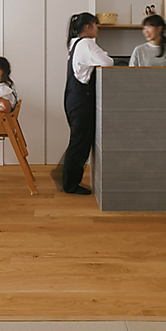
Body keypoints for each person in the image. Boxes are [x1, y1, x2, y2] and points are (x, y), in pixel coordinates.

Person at [59, 12, 113, 195]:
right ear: (88, 27)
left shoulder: (74, 44)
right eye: (96, 25)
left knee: (78, 142)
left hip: (73, 99)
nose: (98, 29)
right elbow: (107, 62)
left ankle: (70, 182)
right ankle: (70, 185)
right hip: (81, 101)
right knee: (79, 143)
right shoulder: (86, 43)